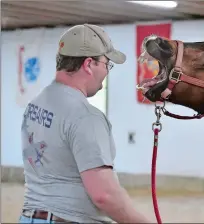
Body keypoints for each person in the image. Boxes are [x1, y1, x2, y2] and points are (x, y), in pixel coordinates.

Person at [19, 24, 152, 223]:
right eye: (107, 64)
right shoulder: (86, 117)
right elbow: (104, 195)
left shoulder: (36, 104)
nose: (107, 71)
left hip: (30, 217)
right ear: (88, 64)